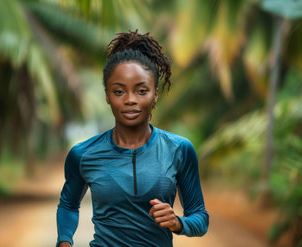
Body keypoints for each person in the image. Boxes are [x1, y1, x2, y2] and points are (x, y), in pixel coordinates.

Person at [56, 30, 209, 247]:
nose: (130, 100)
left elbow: (200, 217)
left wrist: (178, 222)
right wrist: (64, 241)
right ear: (107, 95)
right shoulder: (83, 154)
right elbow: (68, 205)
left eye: (141, 91)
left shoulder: (179, 150)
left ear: (155, 94)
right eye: (119, 92)